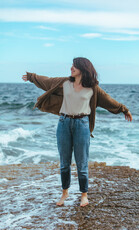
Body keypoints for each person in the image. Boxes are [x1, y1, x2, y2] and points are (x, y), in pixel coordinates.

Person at [22, 57, 132, 207]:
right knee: (64, 163)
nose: (71, 68)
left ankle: (84, 195)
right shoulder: (64, 83)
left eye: (75, 66)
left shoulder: (93, 88)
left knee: (82, 163)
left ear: (83, 68)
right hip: (63, 123)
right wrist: (31, 77)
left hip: (82, 125)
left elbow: (108, 100)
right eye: (72, 65)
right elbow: (46, 81)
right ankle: (64, 193)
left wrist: (124, 109)